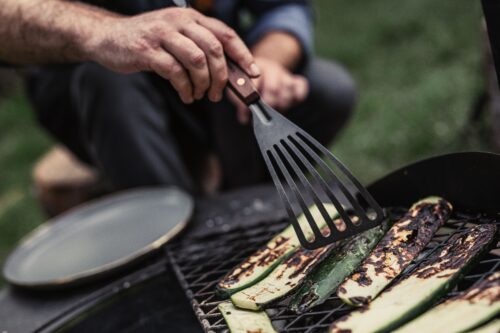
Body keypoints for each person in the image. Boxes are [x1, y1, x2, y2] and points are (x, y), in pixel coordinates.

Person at [0, 0, 356, 195]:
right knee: (107, 81)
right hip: (92, 88)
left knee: (328, 88)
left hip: (203, 72)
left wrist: (267, 61)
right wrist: (103, 31)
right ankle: (176, 242)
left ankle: (243, 212)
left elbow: (282, 6)